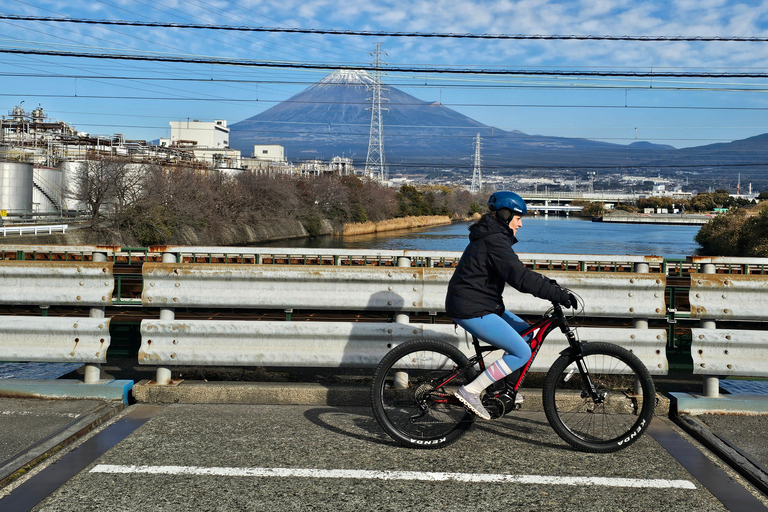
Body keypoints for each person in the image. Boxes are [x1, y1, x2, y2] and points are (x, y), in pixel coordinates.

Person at [445, 191, 576, 420]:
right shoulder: (494, 240)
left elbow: (519, 272)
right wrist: (555, 293)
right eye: (518, 218)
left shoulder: (494, 237)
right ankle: (470, 391)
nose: (521, 223)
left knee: (527, 335)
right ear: (505, 216)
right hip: (471, 308)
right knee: (521, 351)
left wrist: (550, 285)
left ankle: (502, 392)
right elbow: (519, 278)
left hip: (483, 304)